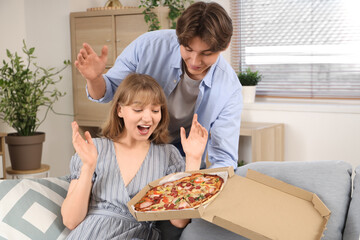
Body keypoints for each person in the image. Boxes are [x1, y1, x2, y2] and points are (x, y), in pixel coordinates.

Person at [75, 1, 242, 172]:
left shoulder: (229, 88)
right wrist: (95, 78)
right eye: (188, 49)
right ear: (179, 38)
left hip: (182, 157)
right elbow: (109, 91)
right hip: (135, 147)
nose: (194, 61)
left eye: (206, 54)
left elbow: (224, 158)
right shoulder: (148, 46)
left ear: (225, 46)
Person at [61, 73, 208, 239]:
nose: (148, 118)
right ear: (119, 110)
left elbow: (179, 221)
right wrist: (88, 167)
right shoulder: (95, 149)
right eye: (138, 109)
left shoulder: (168, 156)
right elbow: (70, 221)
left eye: (155, 110)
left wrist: (193, 160)